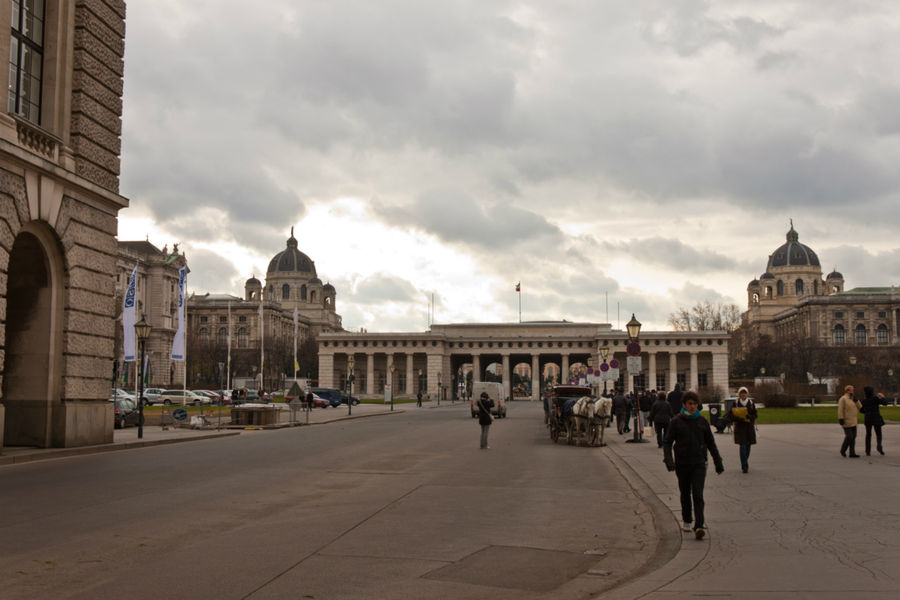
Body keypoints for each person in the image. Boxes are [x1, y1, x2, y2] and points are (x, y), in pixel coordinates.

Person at [664, 391, 724, 540]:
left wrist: (718, 462)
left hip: (699, 462)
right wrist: (669, 460)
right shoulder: (676, 421)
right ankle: (687, 519)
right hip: (682, 463)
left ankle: (699, 525)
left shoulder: (702, 421)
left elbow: (710, 442)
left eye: (695, 404)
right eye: (690, 404)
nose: (692, 407)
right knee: (685, 493)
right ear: (684, 404)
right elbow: (667, 442)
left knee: (698, 494)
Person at [726, 386, 758, 473]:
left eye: (745, 393)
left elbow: (755, 415)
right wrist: (737, 418)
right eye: (742, 393)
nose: (743, 394)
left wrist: (749, 416)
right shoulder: (735, 403)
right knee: (743, 446)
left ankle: (745, 461)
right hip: (740, 427)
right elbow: (730, 415)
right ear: (739, 394)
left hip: (749, 428)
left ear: (747, 394)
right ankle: (744, 466)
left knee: (748, 446)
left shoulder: (751, 403)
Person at [860, 386, 887, 456]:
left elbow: (861, 410)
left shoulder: (864, 401)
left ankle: (868, 450)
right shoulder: (875, 399)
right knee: (878, 433)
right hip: (876, 417)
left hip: (868, 418)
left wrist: (867, 411)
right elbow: (885, 403)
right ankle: (879, 445)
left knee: (868, 434)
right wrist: (882, 397)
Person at [838, 385, 862, 458]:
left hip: (854, 420)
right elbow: (840, 409)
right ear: (847, 390)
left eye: (853, 389)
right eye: (851, 390)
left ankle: (852, 452)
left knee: (853, 436)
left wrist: (856, 400)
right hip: (846, 420)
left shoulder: (853, 399)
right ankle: (843, 450)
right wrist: (841, 418)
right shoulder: (843, 399)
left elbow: (860, 407)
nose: (852, 391)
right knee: (849, 436)